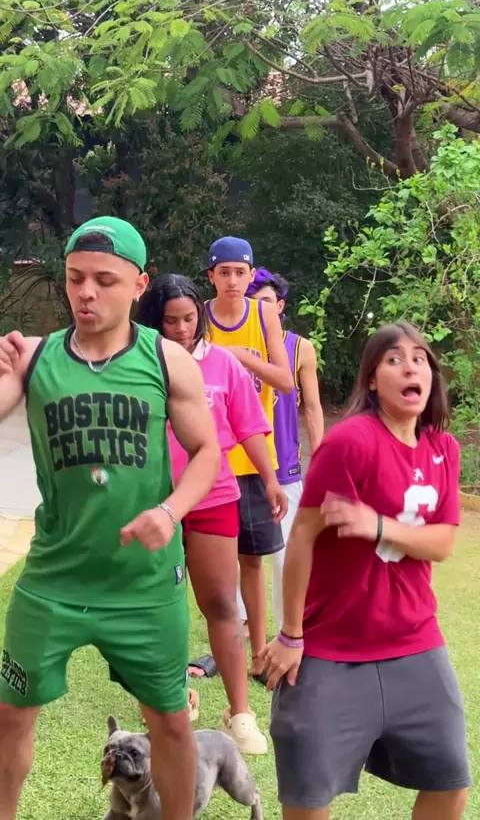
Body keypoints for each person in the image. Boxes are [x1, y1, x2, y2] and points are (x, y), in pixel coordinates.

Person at [0, 217, 220, 820]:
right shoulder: (34, 357)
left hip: (144, 583)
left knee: (170, 720)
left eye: (104, 280)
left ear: (139, 284)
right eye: (75, 278)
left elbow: (208, 451)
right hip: (54, 578)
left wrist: (170, 511)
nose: (86, 292)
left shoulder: (167, 360)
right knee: (10, 715)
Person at [264, 322, 470, 820]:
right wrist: (291, 634)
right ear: (372, 380)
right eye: (394, 359)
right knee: (308, 798)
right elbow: (303, 537)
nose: (410, 367)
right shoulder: (349, 443)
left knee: (450, 783)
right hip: (331, 647)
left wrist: (378, 525)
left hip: (415, 641)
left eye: (419, 358)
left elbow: (442, 543)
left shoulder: (444, 448)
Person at [135, 273, 288, 754]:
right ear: (153, 321)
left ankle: (240, 713)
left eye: (189, 319)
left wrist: (270, 479)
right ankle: (175, 696)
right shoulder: (137, 365)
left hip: (214, 498)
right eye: (171, 321)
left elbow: (249, 428)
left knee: (222, 603)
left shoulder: (222, 363)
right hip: (152, 502)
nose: (182, 329)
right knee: (160, 604)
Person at [204, 237, 293, 683]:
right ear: (211, 276)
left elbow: (285, 380)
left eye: (240, 272)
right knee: (210, 564)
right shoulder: (199, 316)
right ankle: (224, 646)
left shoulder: (262, 315)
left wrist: (240, 357)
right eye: (224, 272)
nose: (233, 280)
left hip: (256, 458)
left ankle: (259, 653)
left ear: (251, 275)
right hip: (209, 461)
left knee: (253, 560)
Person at [237, 268, 324, 630]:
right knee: (240, 559)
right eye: (252, 303)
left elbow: (313, 408)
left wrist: (321, 462)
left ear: (280, 306)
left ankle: (289, 633)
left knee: (286, 558)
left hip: (284, 467)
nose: (259, 309)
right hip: (238, 468)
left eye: (266, 302)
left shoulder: (299, 348)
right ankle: (239, 631)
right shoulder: (231, 343)